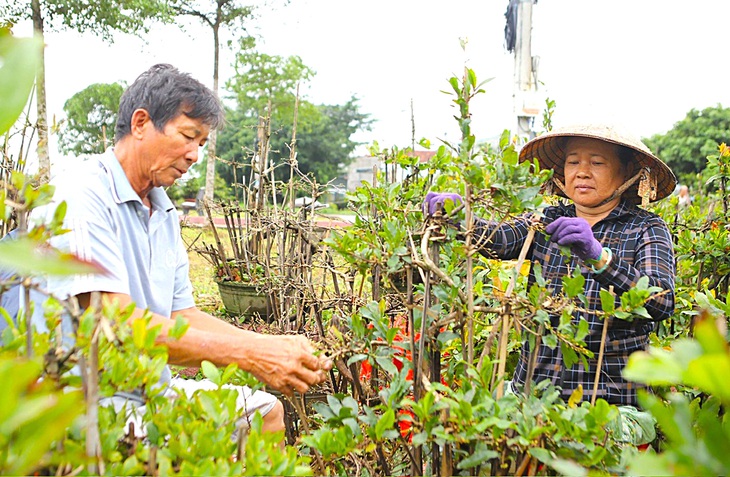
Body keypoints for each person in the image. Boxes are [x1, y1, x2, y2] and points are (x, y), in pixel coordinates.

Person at [31, 64, 331, 437]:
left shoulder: (164, 211)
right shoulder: (81, 193)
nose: (194, 155)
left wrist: (267, 344)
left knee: (265, 413)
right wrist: (250, 355)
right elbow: (116, 323)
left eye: (202, 145)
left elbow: (183, 314)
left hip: (149, 389)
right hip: (85, 399)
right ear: (141, 123)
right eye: (189, 136)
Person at [424, 124, 677, 444]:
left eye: (597, 163)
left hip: (611, 403)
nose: (582, 172)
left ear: (627, 172)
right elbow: (498, 240)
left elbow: (661, 301)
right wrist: (459, 215)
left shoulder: (646, 228)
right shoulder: (548, 219)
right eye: (573, 162)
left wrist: (601, 258)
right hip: (536, 396)